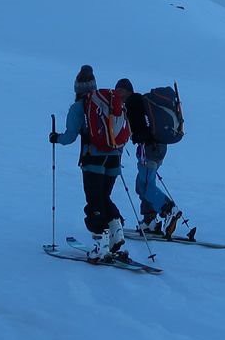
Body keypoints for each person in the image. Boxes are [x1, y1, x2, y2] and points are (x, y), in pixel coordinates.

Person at [50, 65, 131, 263]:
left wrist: (55, 138)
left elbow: (69, 137)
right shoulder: (108, 103)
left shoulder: (79, 107)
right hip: (114, 158)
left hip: (93, 159)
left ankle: (100, 246)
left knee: (94, 201)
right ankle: (116, 233)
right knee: (104, 197)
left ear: (77, 88)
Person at [120, 78, 192, 240]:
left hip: (149, 148)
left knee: (145, 186)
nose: (118, 95)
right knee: (143, 184)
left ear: (126, 91)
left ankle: (169, 210)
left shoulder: (133, 102)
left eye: (120, 92)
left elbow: (139, 129)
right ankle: (150, 220)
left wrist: (135, 137)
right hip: (158, 147)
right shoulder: (142, 102)